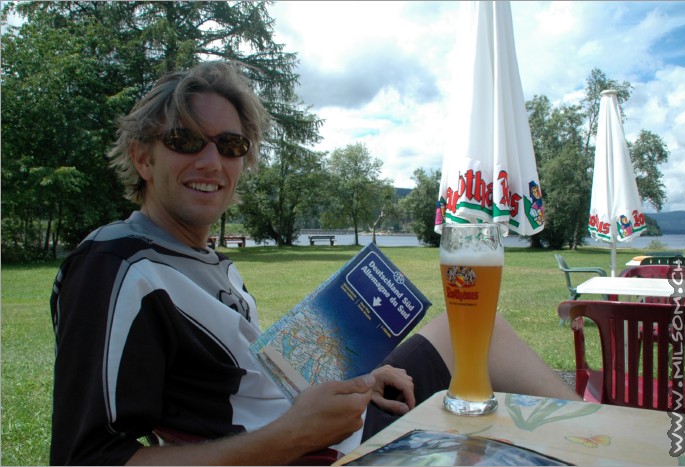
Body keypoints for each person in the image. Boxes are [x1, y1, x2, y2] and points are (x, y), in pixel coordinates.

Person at [49, 60, 579, 466]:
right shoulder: (114, 265)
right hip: (313, 453)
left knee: (480, 333)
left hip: (325, 424)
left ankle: (597, 438)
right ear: (144, 157)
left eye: (230, 145)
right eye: (185, 140)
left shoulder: (211, 264)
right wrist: (294, 435)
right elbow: (85, 457)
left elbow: (252, 387)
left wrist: (356, 379)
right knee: (483, 344)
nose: (211, 161)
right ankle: (602, 443)